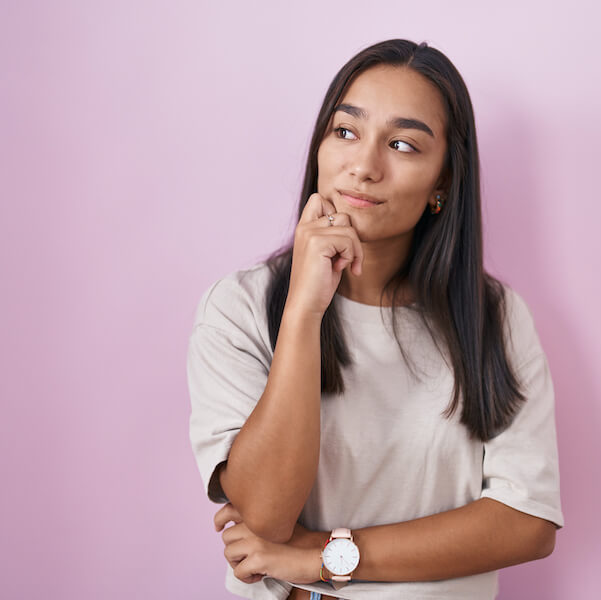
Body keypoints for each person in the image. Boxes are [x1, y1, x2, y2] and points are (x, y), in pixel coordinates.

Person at [187, 38, 564, 600]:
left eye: (404, 145)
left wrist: (320, 555)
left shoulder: (494, 318)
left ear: (442, 184)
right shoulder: (238, 308)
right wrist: (303, 311)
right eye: (345, 132)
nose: (363, 167)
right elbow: (263, 516)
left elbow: (526, 523)